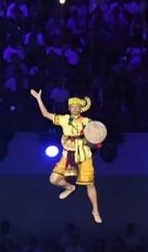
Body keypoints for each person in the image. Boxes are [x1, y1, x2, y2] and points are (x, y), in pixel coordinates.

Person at [29, 89, 103, 223]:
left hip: (83, 154)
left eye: (77, 106)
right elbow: (45, 114)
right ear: (69, 108)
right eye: (72, 106)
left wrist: (94, 142)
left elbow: (97, 135)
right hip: (68, 153)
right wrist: (39, 99)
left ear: (81, 109)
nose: (74, 108)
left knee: (90, 184)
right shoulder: (64, 119)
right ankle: (69, 187)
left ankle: (95, 210)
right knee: (53, 179)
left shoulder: (87, 121)